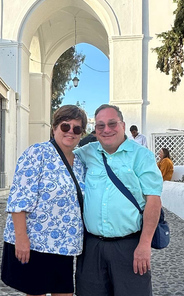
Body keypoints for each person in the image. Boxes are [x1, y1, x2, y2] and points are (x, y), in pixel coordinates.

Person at [75, 104, 164, 296]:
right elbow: (63, 155)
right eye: (100, 126)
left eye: (112, 123)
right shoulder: (87, 152)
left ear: (123, 125)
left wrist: (144, 244)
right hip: (91, 248)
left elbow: (153, 201)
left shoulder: (142, 156)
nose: (106, 130)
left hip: (130, 246)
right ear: (95, 130)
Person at [1, 105, 88, 296]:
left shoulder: (81, 162)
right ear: (54, 127)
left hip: (64, 246)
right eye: (66, 126)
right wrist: (21, 239)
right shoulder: (37, 153)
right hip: (35, 243)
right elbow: (19, 199)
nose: (71, 132)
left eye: (77, 128)